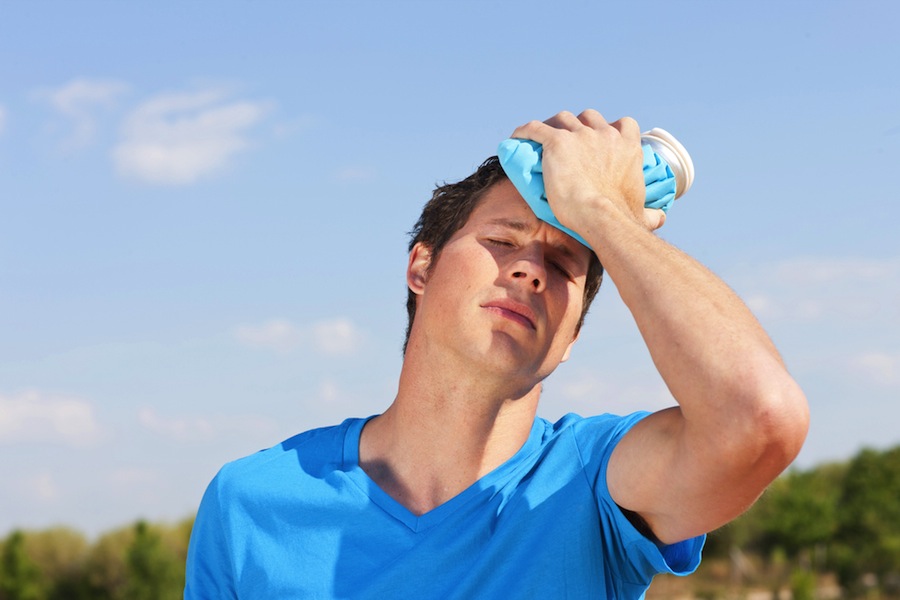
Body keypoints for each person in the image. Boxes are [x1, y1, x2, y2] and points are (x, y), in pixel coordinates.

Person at [184, 110, 809, 599]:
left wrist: (600, 210)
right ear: (421, 267)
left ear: (571, 340)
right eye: (502, 239)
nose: (531, 270)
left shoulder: (592, 485)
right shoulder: (252, 501)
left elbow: (759, 417)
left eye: (565, 262)